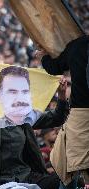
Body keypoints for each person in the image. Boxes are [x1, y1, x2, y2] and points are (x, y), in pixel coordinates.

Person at [0, 61, 69, 189]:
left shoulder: (25, 117)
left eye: (23, 92)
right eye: (12, 92)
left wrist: (61, 94)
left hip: (25, 177)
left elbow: (57, 118)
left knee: (65, 177)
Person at [36, 35, 89, 186]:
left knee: (69, 164)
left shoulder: (79, 45)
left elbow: (54, 67)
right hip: (81, 116)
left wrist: (44, 56)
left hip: (82, 115)